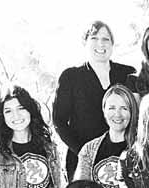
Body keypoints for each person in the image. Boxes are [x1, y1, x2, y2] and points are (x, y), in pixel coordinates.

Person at [53, 21, 135, 177]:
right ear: (85, 42)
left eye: (106, 39)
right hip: (82, 159)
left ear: (112, 44)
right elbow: (59, 121)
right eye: (94, 38)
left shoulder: (127, 74)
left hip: (122, 158)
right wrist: (85, 154)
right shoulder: (70, 77)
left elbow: (136, 116)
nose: (100, 44)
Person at [75, 84, 138, 188]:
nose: (117, 114)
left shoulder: (142, 147)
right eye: (112, 108)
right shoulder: (89, 149)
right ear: (104, 111)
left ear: (132, 112)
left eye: (124, 108)